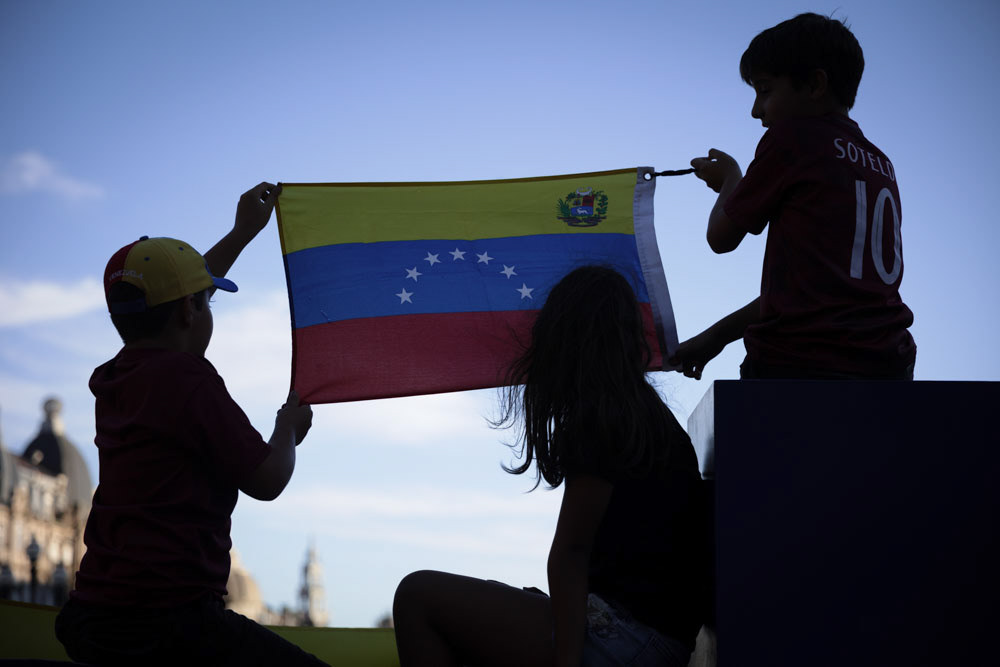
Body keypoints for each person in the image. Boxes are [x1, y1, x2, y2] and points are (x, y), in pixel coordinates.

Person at [55, 183, 328, 666]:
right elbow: (266, 480)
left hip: (98, 614)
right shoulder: (188, 381)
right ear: (189, 310)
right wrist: (289, 429)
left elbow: (173, 300)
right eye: (207, 302)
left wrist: (242, 234)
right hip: (171, 623)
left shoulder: (114, 379)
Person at [392, 266, 709, 667]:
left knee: (417, 597)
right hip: (663, 639)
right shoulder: (645, 417)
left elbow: (570, 555)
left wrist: (565, 660)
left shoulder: (601, 419)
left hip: (629, 638)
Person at [673, 13, 916, 381]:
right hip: (886, 365)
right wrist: (715, 338)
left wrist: (730, 179)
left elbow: (720, 238)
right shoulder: (880, 164)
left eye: (765, 90)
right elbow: (813, 296)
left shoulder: (793, 139)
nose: (756, 110)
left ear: (816, 84)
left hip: (795, 363)